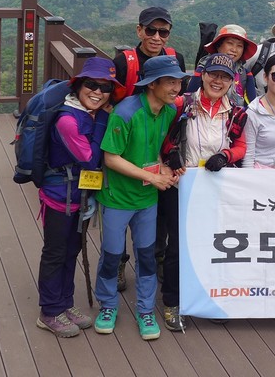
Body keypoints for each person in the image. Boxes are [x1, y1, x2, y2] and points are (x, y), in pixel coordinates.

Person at [94, 54, 185, 341]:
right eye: (170, 82)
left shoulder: (168, 111)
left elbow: (154, 150)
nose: (176, 88)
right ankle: (107, 306)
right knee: (111, 255)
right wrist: (153, 177)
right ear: (152, 84)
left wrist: (163, 167)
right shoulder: (125, 112)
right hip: (117, 198)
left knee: (146, 256)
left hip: (146, 199)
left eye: (178, 82)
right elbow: (111, 158)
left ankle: (145, 310)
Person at [158, 52, 248, 332]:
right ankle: (172, 302)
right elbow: (162, 136)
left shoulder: (235, 111)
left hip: (215, 189)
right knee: (177, 246)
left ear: (232, 81)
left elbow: (241, 146)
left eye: (224, 77)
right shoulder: (181, 104)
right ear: (203, 75)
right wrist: (170, 154)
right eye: (213, 75)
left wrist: (225, 155)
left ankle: (209, 297)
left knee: (213, 244)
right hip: (181, 185)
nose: (218, 81)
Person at [35, 57, 118, 338]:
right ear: (79, 86)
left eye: (105, 88)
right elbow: (90, 159)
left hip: (79, 196)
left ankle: (65, 303)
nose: (98, 92)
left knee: (72, 250)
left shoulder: (87, 114)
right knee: (55, 253)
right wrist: (103, 117)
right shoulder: (68, 120)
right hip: (59, 197)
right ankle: (49, 311)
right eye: (92, 85)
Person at [110, 6, 188, 291]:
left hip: (157, 143)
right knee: (118, 210)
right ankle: (119, 262)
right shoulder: (124, 61)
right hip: (123, 140)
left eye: (163, 31)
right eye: (151, 30)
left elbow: (177, 101)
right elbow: (108, 98)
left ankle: (155, 260)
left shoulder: (174, 58)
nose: (157, 37)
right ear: (139, 30)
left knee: (156, 212)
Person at [200, 24, 259, 107]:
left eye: (239, 46)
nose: (234, 50)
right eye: (230, 43)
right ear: (218, 45)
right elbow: (191, 100)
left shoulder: (245, 75)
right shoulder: (203, 69)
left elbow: (251, 107)